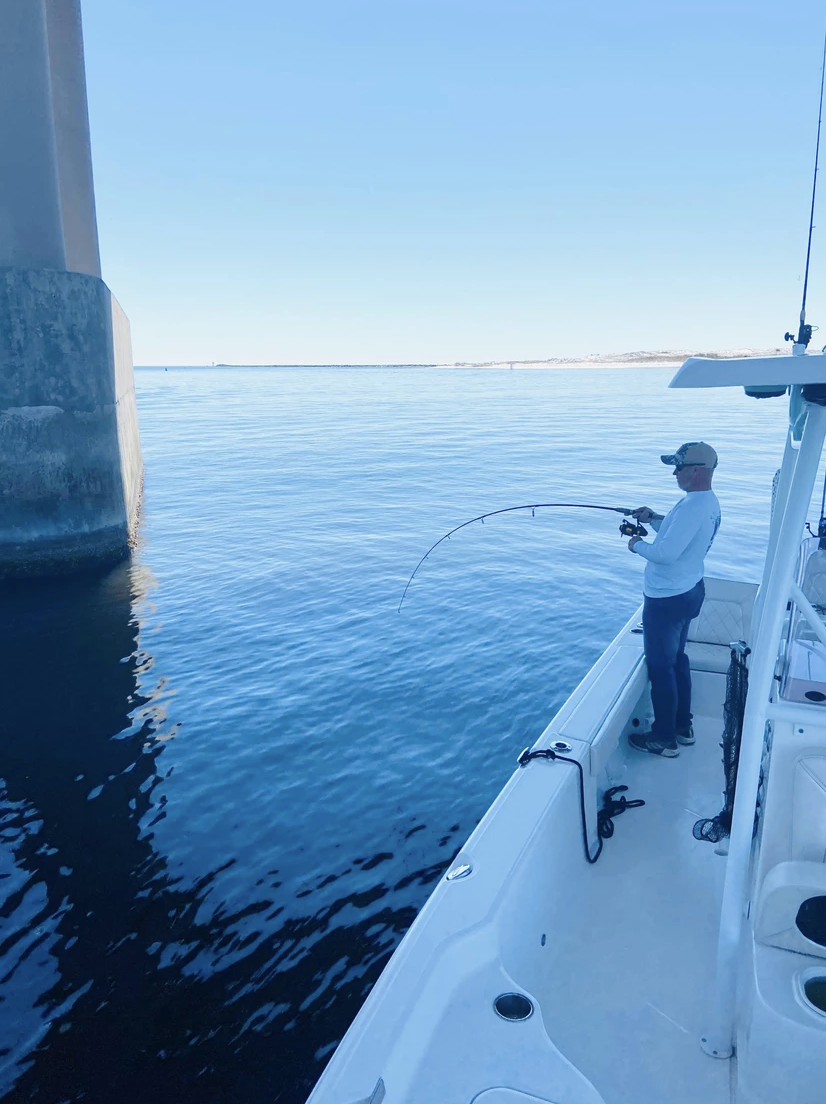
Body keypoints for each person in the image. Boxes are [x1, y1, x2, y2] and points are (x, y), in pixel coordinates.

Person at [626, 441, 721, 757]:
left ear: (696, 470)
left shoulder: (692, 507)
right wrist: (653, 518)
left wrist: (636, 544)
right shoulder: (707, 503)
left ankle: (664, 738)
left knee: (660, 667)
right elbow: (679, 532)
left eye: (678, 467)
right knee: (677, 659)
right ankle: (684, 726)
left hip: (666, 601)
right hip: (690, 591)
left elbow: (665, 553)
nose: (674, 472)